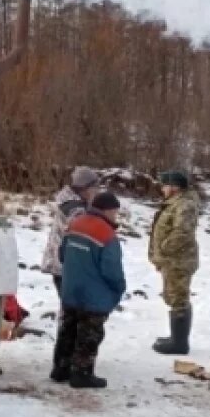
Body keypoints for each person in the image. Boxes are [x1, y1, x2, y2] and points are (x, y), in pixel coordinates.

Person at [51, 192, 126, 389]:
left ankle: (61, 368)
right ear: (107, 210)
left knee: (68, 330)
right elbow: (112, 270)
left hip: (70, 289)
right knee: (89, 334)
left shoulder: (75, 224)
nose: (115, 216)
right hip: (93, 295)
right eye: (115, 212)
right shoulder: (107, 235)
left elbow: (62, 254)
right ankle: (81, 374)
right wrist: (119, 288)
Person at [149, 170, 200, 355]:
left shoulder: (184, 204)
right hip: (173, 260)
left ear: (173, 187)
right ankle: (176, 337)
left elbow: (182, 232)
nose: (162, 189)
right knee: (173, 296)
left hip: (178, 260)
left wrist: (163, 249)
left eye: (164, 185)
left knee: (178, 298)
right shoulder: (175, 203)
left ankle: (179, 344)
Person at [41, 166, 101, 296]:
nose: (96, 191)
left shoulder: (73, 203)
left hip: (64, 264)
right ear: (85, 188)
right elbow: (84, 233)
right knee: (73, 308)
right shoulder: (75, 209)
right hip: (67, 266)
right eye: (94, 188)